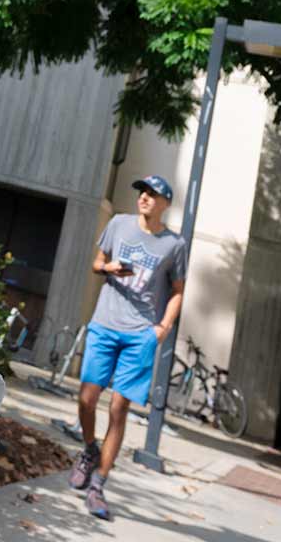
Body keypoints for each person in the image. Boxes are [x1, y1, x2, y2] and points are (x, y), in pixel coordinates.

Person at [66, 174, 188, 521]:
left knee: (118, 409)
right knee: (86, 399)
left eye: (153, 194)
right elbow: (95, 264)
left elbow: (178, 291)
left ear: (165, 202)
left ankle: (99, 484)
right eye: (142, 192)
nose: (145, 198)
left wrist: (162, 329)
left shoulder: (174, 245)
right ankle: (90, 451)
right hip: (106, 323)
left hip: (140, 334)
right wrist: (109, 268)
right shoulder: (118, 224)